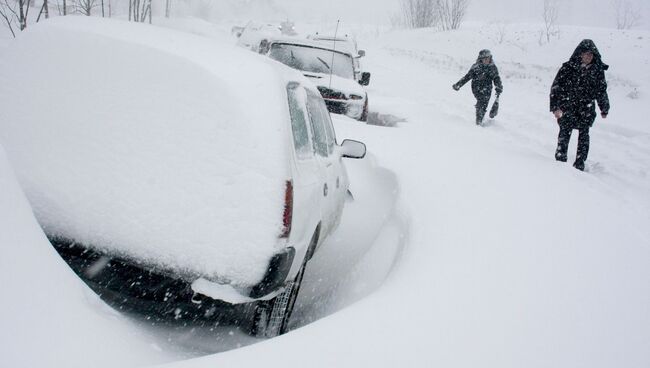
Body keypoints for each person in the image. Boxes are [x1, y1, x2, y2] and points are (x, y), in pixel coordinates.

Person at [550, 39, 609, 171]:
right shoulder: (568, 68)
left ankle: (580, 163)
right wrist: (556, 107)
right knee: (565, 132)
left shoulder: (597, 71)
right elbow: (556, 87)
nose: (588, 56)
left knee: (584, 136)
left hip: (586, 109)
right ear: (580, 54)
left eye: (591, 54)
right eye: (586, 54)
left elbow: (601, 90)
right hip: (568, 106)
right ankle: (560, 159)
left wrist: (604, 107)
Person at [453, 49, 503, 125]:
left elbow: (496, 78)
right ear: (481, 59)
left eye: (488, 58)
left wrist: (498, 87)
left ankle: (480, 118)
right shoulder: (476, 67)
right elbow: (467, 77)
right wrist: (458, 84)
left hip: (488, 88)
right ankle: (479, 121)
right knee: (481, 102)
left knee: (484, 103)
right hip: (476, 88)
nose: (487, 60)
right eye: (485, 58)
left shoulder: (492, 67)